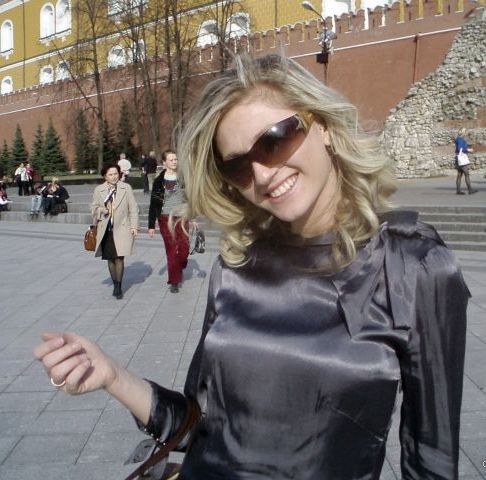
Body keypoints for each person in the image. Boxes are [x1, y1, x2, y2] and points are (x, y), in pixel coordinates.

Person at [34, 55, 469, 480]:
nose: (262, 175)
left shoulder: (412, 265)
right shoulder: (238, 265)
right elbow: (196, 424)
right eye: (238, 166)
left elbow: (432, 458)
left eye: (274, 140)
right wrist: (113, 375)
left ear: (323, 125)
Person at [90, 163, 138, 299]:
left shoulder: (126, 188)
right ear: (105, 176)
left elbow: (133, 208)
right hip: (106, 229)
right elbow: (93, 208)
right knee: (110, 258)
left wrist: (134, 226)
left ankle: (118, 287)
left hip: (122, 227)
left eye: (115, 173)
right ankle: (115, 283)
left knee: (119, 257)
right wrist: (102, 210)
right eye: (110, 174)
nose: (113, 177)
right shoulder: (99, 190)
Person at [148, 150, 189, 293]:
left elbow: (190, 199)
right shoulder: (159, 181)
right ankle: (174, 281)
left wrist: (193, 216)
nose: (174, 162)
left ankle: (179, 266)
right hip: (165, 218)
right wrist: (151, 225)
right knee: (171, 250)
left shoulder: (183, 178)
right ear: (164, 162)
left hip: (182, 217)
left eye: (175, 159)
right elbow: (153, 204)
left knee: (184, 249)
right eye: (171, 160)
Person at [454, 128, 477, 195]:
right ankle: (470, 190)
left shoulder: (458, 139)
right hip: (461, 158)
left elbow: (459, 148)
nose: (466, 132)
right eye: (465, 131)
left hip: (458, 158)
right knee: (466, 174)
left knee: (459, 174)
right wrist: (468, 150)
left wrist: (467, 149)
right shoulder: (460, 139)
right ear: (462, 132)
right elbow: (460, 148)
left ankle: (458, 191)